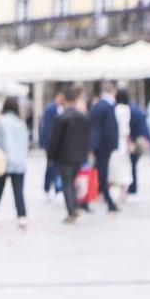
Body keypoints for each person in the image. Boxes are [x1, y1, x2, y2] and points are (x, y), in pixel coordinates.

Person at [47, 87, 92, 224]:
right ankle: (75, 206)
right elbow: (87, 138)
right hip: (79, 156)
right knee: (72, 182)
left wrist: (51, 156)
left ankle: (72, 209)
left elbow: (55, 140)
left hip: (65, 156)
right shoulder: (83, 117)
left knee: (67, 184)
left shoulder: (62, 118)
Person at [0, 96, 29, 223]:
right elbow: (26, 143)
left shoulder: (1, 122)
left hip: (4, 161)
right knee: (18, 190)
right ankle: (22, 215)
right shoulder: (21, 123)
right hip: (19, 162)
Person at [87, 86, 122, 213]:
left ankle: (103, 198)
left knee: (100, 172)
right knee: (102, 173)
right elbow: (108, 128)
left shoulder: (100, 105)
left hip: (99, 145)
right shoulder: (106, 106)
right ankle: (108, 200)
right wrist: (112, 144)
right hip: (103, 145)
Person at [39, 91, 65, 198]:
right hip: (51, 142)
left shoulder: (60, 108)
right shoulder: (50, 109)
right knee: (52, 165)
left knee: (52, 165)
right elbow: (47, 127)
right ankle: (53, 187)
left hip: (57, 142)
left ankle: (50, 187)